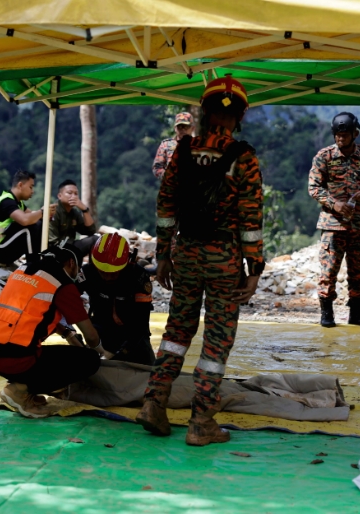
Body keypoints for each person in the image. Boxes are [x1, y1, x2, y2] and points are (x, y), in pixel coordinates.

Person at [136, 76, 263, 447]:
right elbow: (251, 217)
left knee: (176, 332)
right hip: (224, 259)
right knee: (217, 341)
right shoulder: (244, 157)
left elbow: (166, 206)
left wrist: (163, 255)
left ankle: (154, 401)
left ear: (204, 112)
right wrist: (253, 269)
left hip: (186, 254)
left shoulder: (183, 150)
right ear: (239, 115)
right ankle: (201, 421)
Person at [0, 243, 110, 418]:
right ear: (71, 263)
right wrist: (101, 352)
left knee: (44, 354)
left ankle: (26, 391)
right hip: (14, 359)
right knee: (89, 361)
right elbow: (91, 336)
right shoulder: (63, 285)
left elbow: (33, 312)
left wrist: (67, 334)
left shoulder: (25, 271)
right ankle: (18, 390)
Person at [308, 112, 360, 328]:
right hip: (332, 225)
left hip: (359, 224)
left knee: (359, 271)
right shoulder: (324, 156)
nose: (340, 139)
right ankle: (327, 314)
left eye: (345, 135)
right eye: (337, 135)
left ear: (354, 134)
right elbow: (313, 187)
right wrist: (333, 203)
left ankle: (357, 313)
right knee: (328, 271)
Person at [78, 233, 156, 366]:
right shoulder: (86, 273)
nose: (108, 277)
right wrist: (70, 333)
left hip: (133, 335)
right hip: (100, 332)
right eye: (103, 272)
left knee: (146, 374)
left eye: (113, 273)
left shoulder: (138, 277)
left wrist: (121, 352)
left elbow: (141, 323)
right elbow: (67, 301)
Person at [0, 170, 56, 266]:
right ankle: (33, 265)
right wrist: (42, 212)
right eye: (30, 187)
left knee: (39, 223)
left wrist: (46, 214)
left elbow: (33, 215)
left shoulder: (19, 203)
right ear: (20, 185)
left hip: (4, 248)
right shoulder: (7, 201)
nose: (32, 191)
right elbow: (25, 220)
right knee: (30, 227)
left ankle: (42, 259)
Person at [49, 179, 99, 256]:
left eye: (76, 194)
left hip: (70, 246)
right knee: (94, 240)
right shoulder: (54, 211)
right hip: (57, 250)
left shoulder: (74, 212)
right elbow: (53, 242)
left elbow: (90, 231)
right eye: (70, 193)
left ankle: (90, 267)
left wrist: (84, 210)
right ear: (60, 196)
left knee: (96, 239)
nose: (74, 196)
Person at [152, 112, 193, 180]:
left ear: (192, 128)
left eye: (186, 127)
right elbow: (157, 167)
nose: (183, 129)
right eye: (180, 126)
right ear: (175, 128)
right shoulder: (166, 145)